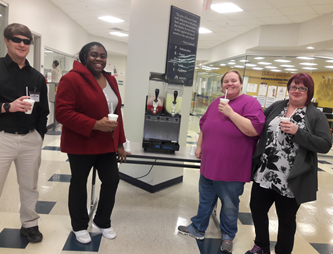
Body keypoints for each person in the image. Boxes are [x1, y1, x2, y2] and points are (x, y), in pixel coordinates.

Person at [178, 70, 265, 253]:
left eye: (234, 81)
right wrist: (199, 146)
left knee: (230, 204)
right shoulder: (216, 102)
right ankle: (198, 228)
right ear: (222, 85)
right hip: (210, 164)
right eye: (226, 81)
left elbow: (254, 130)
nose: (229, 84)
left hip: (232, 168)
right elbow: (204, 126)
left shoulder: (250, 103)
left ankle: (228, 236)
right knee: (205, 199)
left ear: (241, 83)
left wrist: (231, 113)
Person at [246, 73, 332, 254]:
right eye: (293, 86)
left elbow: (325, 144)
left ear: (309, 92)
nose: (297, 91)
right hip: (265, 172)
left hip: (291, 178)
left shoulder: (315, 115)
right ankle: (261, 246)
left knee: (286, 219)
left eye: (302, 88)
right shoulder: (278, 106)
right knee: (256, 209)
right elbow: (259, 123)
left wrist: (298, 132)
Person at [55, 42, 127, 244]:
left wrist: (120, 143)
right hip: (81, 144)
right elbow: (62, 113)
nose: (99, 59)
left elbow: (117, 113)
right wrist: (95, 124)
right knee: (79, 183)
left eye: (103, 56)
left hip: (106, 144)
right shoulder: (71, 79)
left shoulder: (110, 79)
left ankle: (102, 221)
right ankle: (79, 225)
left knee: (112, 180)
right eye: (94, 55)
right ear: (84, 56)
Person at [0, 23, 49, 243]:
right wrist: (7, 106)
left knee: (30, 186)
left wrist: (38, 136)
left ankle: (29, 224)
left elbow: (43, 111)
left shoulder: (37, 77)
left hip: (30, 139)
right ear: (6, 41)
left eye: (27, 41)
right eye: (17, 40)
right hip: (3, 138)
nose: (22, 45)